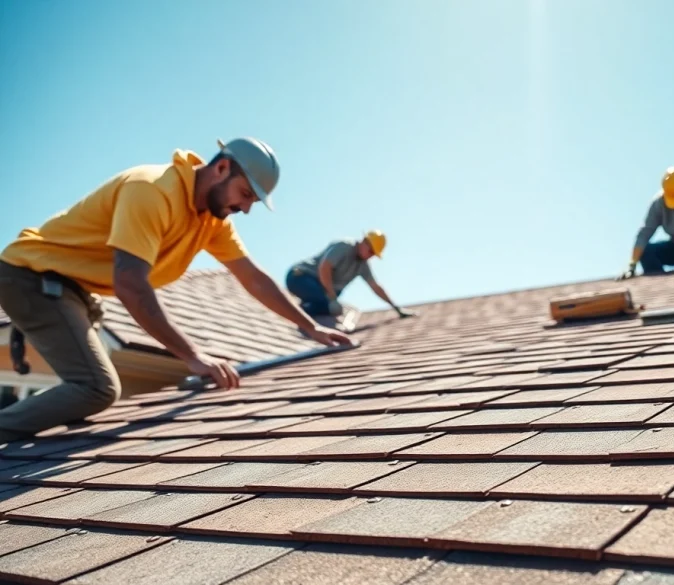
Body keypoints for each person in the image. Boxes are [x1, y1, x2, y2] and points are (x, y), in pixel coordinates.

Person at [0, 138, 355, 442]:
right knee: (96, 388)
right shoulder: (152, 190)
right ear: (221, 168)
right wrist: (193, 356)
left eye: (253, 202)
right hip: (29, 276)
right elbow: (131, 285)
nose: (246, 208)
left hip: (73, 288)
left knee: (84, 392)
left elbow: (253, 278)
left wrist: (311, 327)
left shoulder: (211, 220)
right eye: (245, 194)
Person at [285, 231, 417, 323]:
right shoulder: (345, 246)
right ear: (364, 242)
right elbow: (325, 268)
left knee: (333, 309)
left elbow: (375, 287)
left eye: (374, 254)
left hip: (321, 290)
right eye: (371, 251)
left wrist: (396, 308)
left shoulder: (362, 265)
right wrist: (332, 298)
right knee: (328, 305)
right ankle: (290, 310)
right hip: (300, 277)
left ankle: (303, 308)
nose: (371, 256)